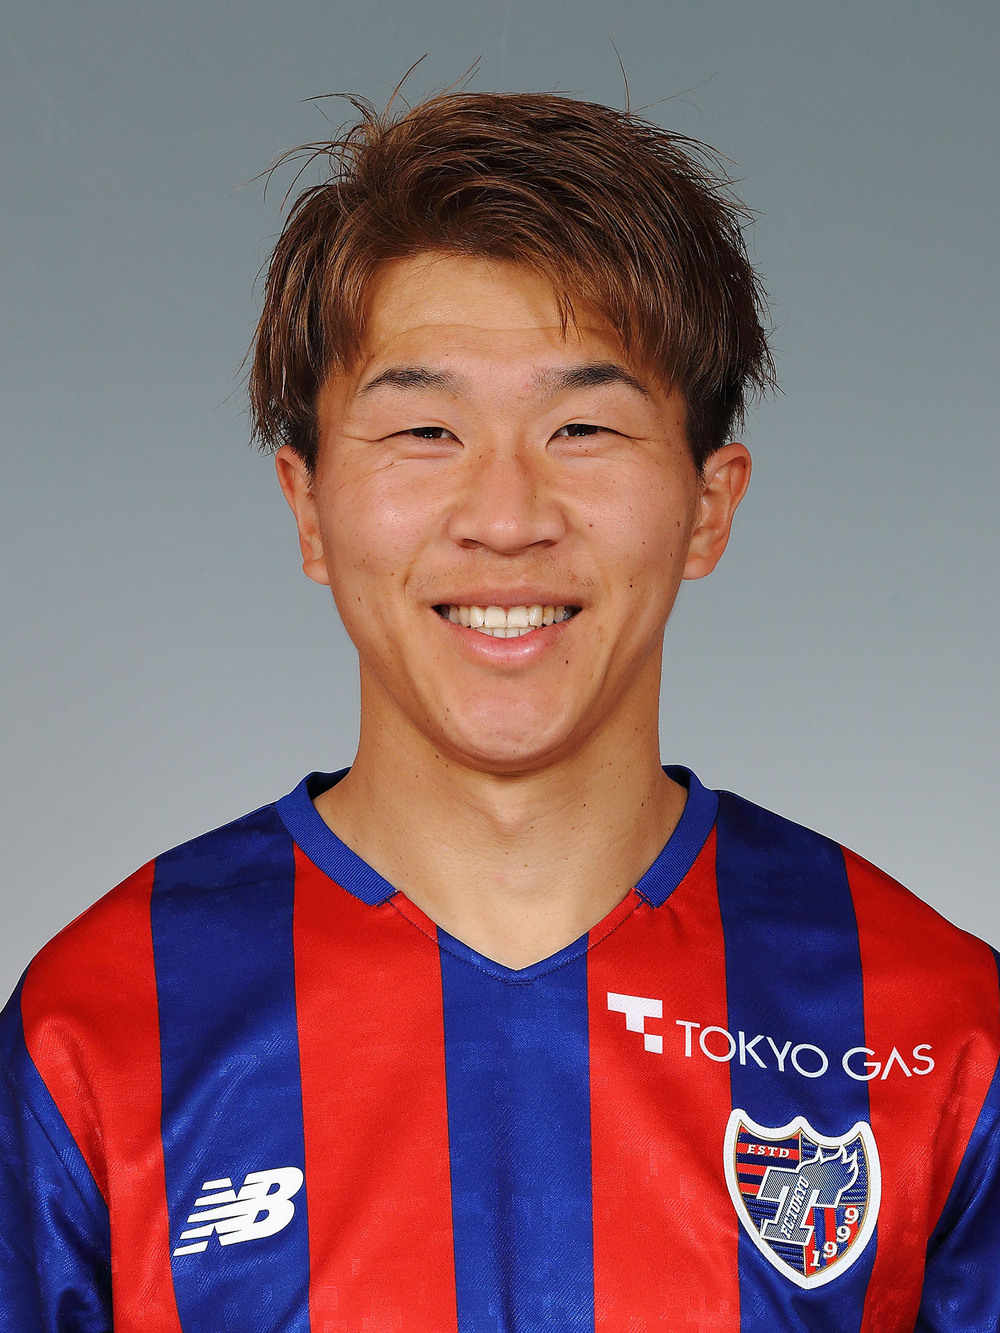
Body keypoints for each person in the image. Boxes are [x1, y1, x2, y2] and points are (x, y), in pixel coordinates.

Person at [1, 90, 997, 1333]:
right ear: (309, 509)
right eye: (426, 429)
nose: (507, 515)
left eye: (582, 426)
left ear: (708, 505)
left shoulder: (934, 1024)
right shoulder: (99, 1026)